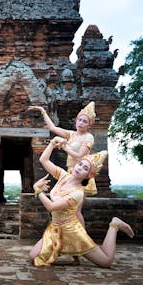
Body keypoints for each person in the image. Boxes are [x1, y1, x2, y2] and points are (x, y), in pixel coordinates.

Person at [29, 138, 134, 268]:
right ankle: (65, 252)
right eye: (80, 164)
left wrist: (37, 189)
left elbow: (51, 207)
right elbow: (43, 160)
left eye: (85, 168)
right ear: (76, 164)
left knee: (106, 262)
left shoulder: (78, 193)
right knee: (33, 256)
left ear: (89, 175)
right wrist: (52, 143)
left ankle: (114, 225)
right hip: (55, 228)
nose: (80, 168)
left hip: (71, 231)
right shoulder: (63, 175)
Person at [29, 101, 96, 264]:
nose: (81, 123)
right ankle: (61, 245)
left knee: (76, 212)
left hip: (81, 174)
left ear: (90, 124)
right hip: (67, 174)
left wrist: (64, 146)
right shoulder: (72, 134)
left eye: (85, 121)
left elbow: (80, 157)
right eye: (79, 120)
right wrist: (43, 111)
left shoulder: (89, 137)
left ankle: (80, 246)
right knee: (60, 212)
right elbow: (52, 129)